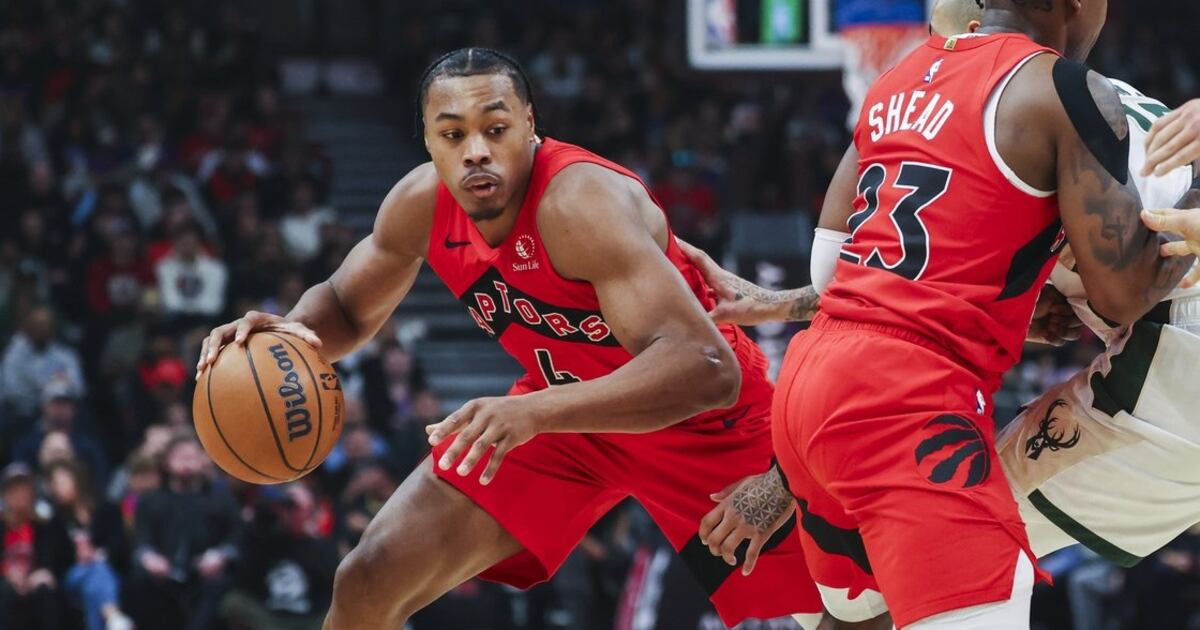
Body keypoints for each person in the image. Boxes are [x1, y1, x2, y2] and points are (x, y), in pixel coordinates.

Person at [196, 48, 824, 629]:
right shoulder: (420, 202)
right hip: (562, 420)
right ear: (428, 141)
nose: (475, 151)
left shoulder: (578, 201)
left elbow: (708, 369)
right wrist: (285, 335)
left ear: (529, 124)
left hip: (701, 425)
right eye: (452, 134)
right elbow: (344, 306)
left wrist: (533, 411)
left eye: (494, 129)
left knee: (851, 612)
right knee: (369, 576)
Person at [695, 1, 1200, 627]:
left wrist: (790, 304)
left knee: (872, 596)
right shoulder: (1069, 93)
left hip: (826, 381)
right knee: (891, 592)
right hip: (1129, 353)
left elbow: (843, 278)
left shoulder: (909, 85)